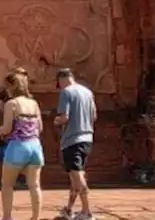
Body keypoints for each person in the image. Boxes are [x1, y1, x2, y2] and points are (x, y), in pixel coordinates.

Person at [0, 69, 44, 220]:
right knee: (34, 186)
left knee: (8, 185)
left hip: (17, 147)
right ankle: (35, 217)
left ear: (11, 87)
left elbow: (7, 128)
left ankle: (7, 217)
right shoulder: (34, 103)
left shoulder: (12, 104)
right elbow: (40, 127)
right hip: (35, 146)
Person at [54, 68, 96, 220]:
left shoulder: (66, 92)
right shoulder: (88, 92)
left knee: (77, 174)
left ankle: (86, 211)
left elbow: (64, 117)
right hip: (87, 138)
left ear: (60, 80)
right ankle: (69, 209)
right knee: (75, 176)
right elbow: (94, 115)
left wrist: (56, 121)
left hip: (72, 139)